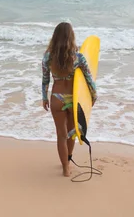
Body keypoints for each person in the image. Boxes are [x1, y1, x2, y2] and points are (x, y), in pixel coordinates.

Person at [41, 22, 97, 177]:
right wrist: (93, 96)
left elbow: (45, 80)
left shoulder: (48, 57)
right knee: (72, 133)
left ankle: (65, 167)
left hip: (57, 98)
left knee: (61, 135)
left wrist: (44, 98)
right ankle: (69, 160)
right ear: (71, 37)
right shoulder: (78, 58)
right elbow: (89, 80)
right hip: (74, 99)